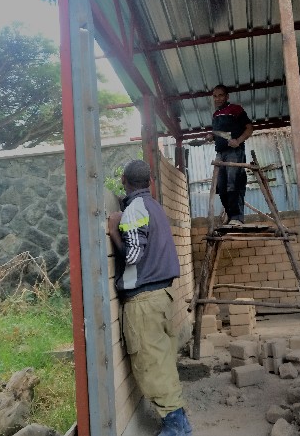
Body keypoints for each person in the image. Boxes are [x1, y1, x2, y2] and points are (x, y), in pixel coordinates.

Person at [108, 160, 192, 436]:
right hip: (163, 295)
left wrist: (113, 230)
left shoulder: (134, 210)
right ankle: (178, 418)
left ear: (124, 179)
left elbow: (133, 255)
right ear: (150, 182)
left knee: (150, 363)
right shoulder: (154, 207)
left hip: (144, 301)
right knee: (162, 359)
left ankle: (175, 426)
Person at [210, 84, 253, 225]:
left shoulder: (235, 109)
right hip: (220, 154)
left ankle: (237, 217)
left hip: (234, 152)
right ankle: (230, 215)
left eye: (220, 95)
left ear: (227, 96)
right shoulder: (215, 115)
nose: (217, 98)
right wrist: (212, 136)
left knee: (233, 184)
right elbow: (220, 134)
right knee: (221, 187)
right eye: (215, 96)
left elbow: (249, 128)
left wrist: (238, 140)